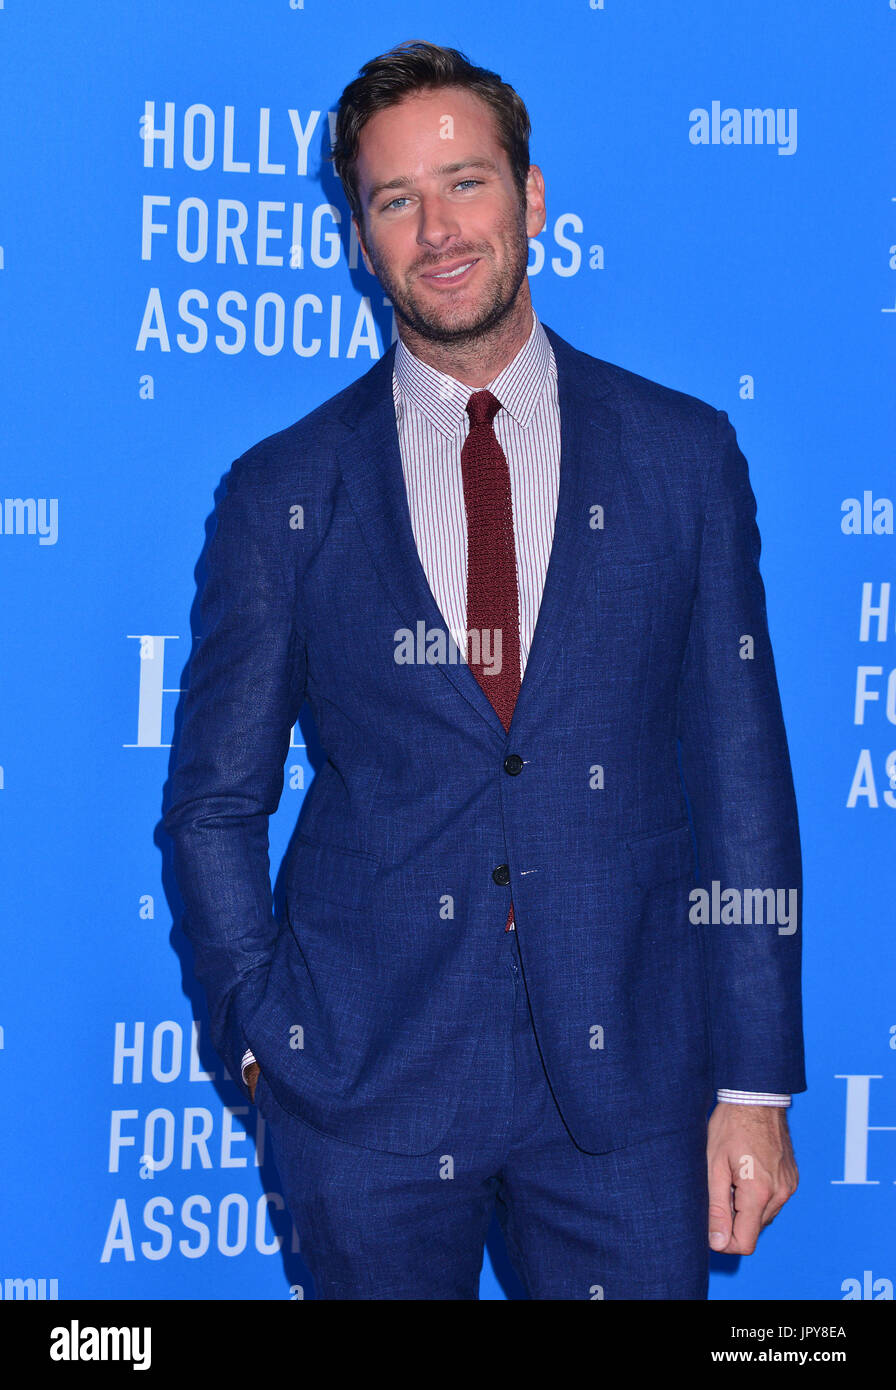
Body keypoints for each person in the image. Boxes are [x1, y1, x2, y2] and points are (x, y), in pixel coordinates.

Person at [163, 39, 804, 1300]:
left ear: (532, 199)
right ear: (358, 236)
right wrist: (258, 1040)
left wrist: (750, 1079)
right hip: (365, 1083)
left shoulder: (681, 458)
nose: (436, 228)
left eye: (464, 183)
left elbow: (740, 778)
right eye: (395, 200)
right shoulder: (282, 492)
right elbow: (213, 802)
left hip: (628, 1088)